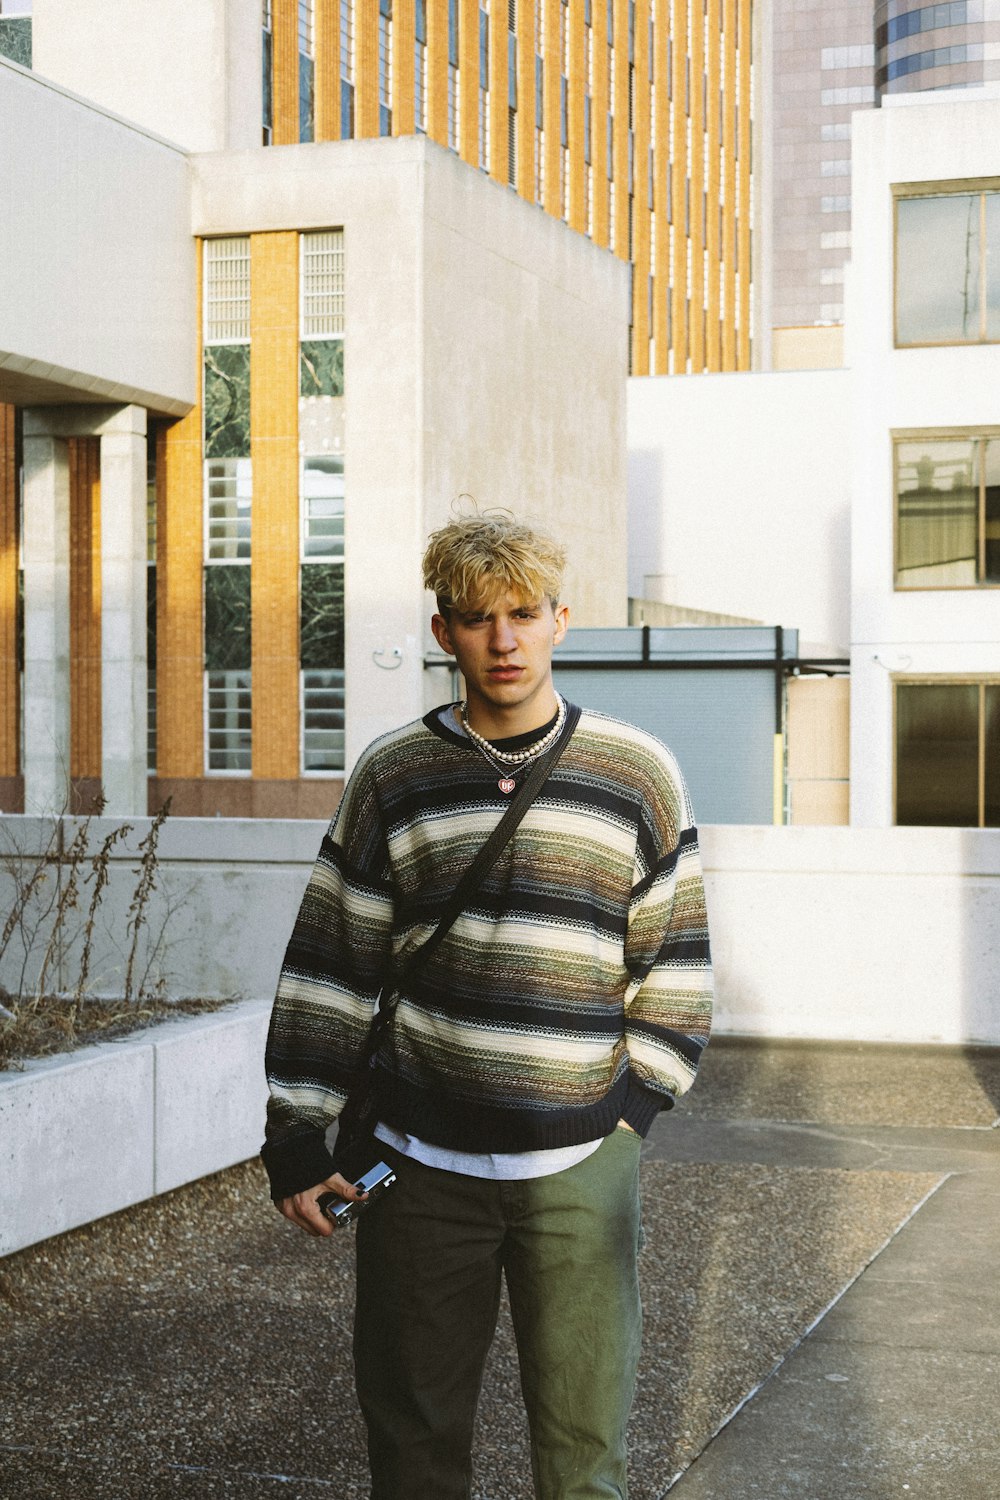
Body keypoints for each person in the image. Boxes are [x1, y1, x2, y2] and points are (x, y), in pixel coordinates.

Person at [261, 511, 713, 1500]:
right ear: (442, 633)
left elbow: (672, 962)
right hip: (418, 1169)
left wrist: (632, 1114)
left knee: (584, 1455)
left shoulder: (634, 773)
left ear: (560, 618)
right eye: (476, 619)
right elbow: (334, 959)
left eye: (521, 614)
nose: (501, 641)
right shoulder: (393, 774)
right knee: (413, 1448)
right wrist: (297, 1132)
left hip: (581, 1163)